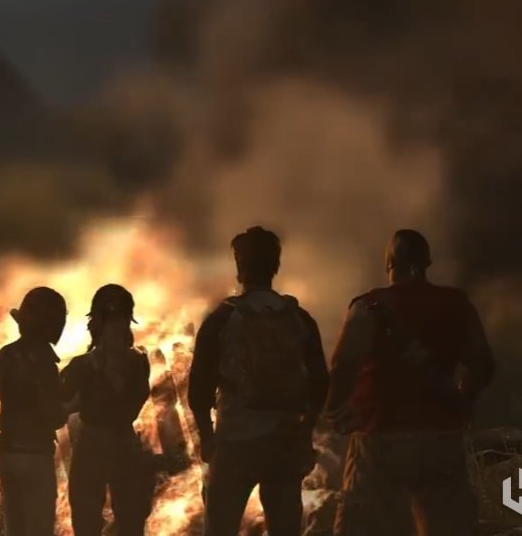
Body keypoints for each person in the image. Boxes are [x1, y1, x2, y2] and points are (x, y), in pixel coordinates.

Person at [325, 229, 496, 536]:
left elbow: (342, 366)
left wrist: (335, 410)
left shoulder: (369, 306)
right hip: (441, 437)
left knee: (362, 525)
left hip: (380, 437)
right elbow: (482, 364)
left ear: (389, 263)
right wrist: (461, 398)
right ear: (426, 262)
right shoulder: (456, 303)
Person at [188, 226, 329, 536]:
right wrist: (305, 430)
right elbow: (320, 383)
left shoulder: (223, 318)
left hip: (235, 443)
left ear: (239, 265)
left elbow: (199, 386)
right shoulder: (299, 318)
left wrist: (207, 436)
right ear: (275, 265)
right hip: (284, 441)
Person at [60, 284, 155, 536]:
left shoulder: (135, 362)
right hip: (102, 442)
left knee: (127, 517)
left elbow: (133, 403)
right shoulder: (88, 364)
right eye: (111, 318)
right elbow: (60, 400)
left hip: (112, 442)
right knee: (90, 518)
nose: (116, 325)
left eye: (119, 318)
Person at [0, 286, 70, 536]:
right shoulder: (43, 361)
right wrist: (73, 404)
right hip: (35, 454)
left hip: (7, 452)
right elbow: (52, 415)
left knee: (14, 526)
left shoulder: (5, 355)